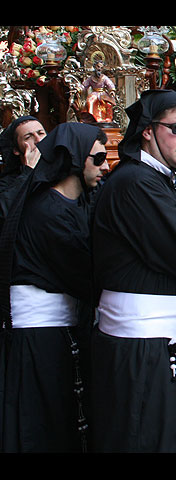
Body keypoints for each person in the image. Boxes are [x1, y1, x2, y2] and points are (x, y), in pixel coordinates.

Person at [90, 89, 176, 453]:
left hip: (163, 343)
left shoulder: (156, 179)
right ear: (148, 131)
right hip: (142, 348)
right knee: (144, 437)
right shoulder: (135, 181)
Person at [0, 122, 108, 452]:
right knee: (43, 427)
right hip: (39, 338)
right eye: (99, 157)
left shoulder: (74, 203)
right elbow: (86, 273)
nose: (105, 166)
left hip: (61, 332)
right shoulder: (47, 210)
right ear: (75, 159)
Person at [0, 116, 47, 221]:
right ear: (16, 150)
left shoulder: (61, 171)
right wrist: (27, 172)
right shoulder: (7, 182)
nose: (38, 140)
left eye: (41, 133)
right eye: (28, 137)